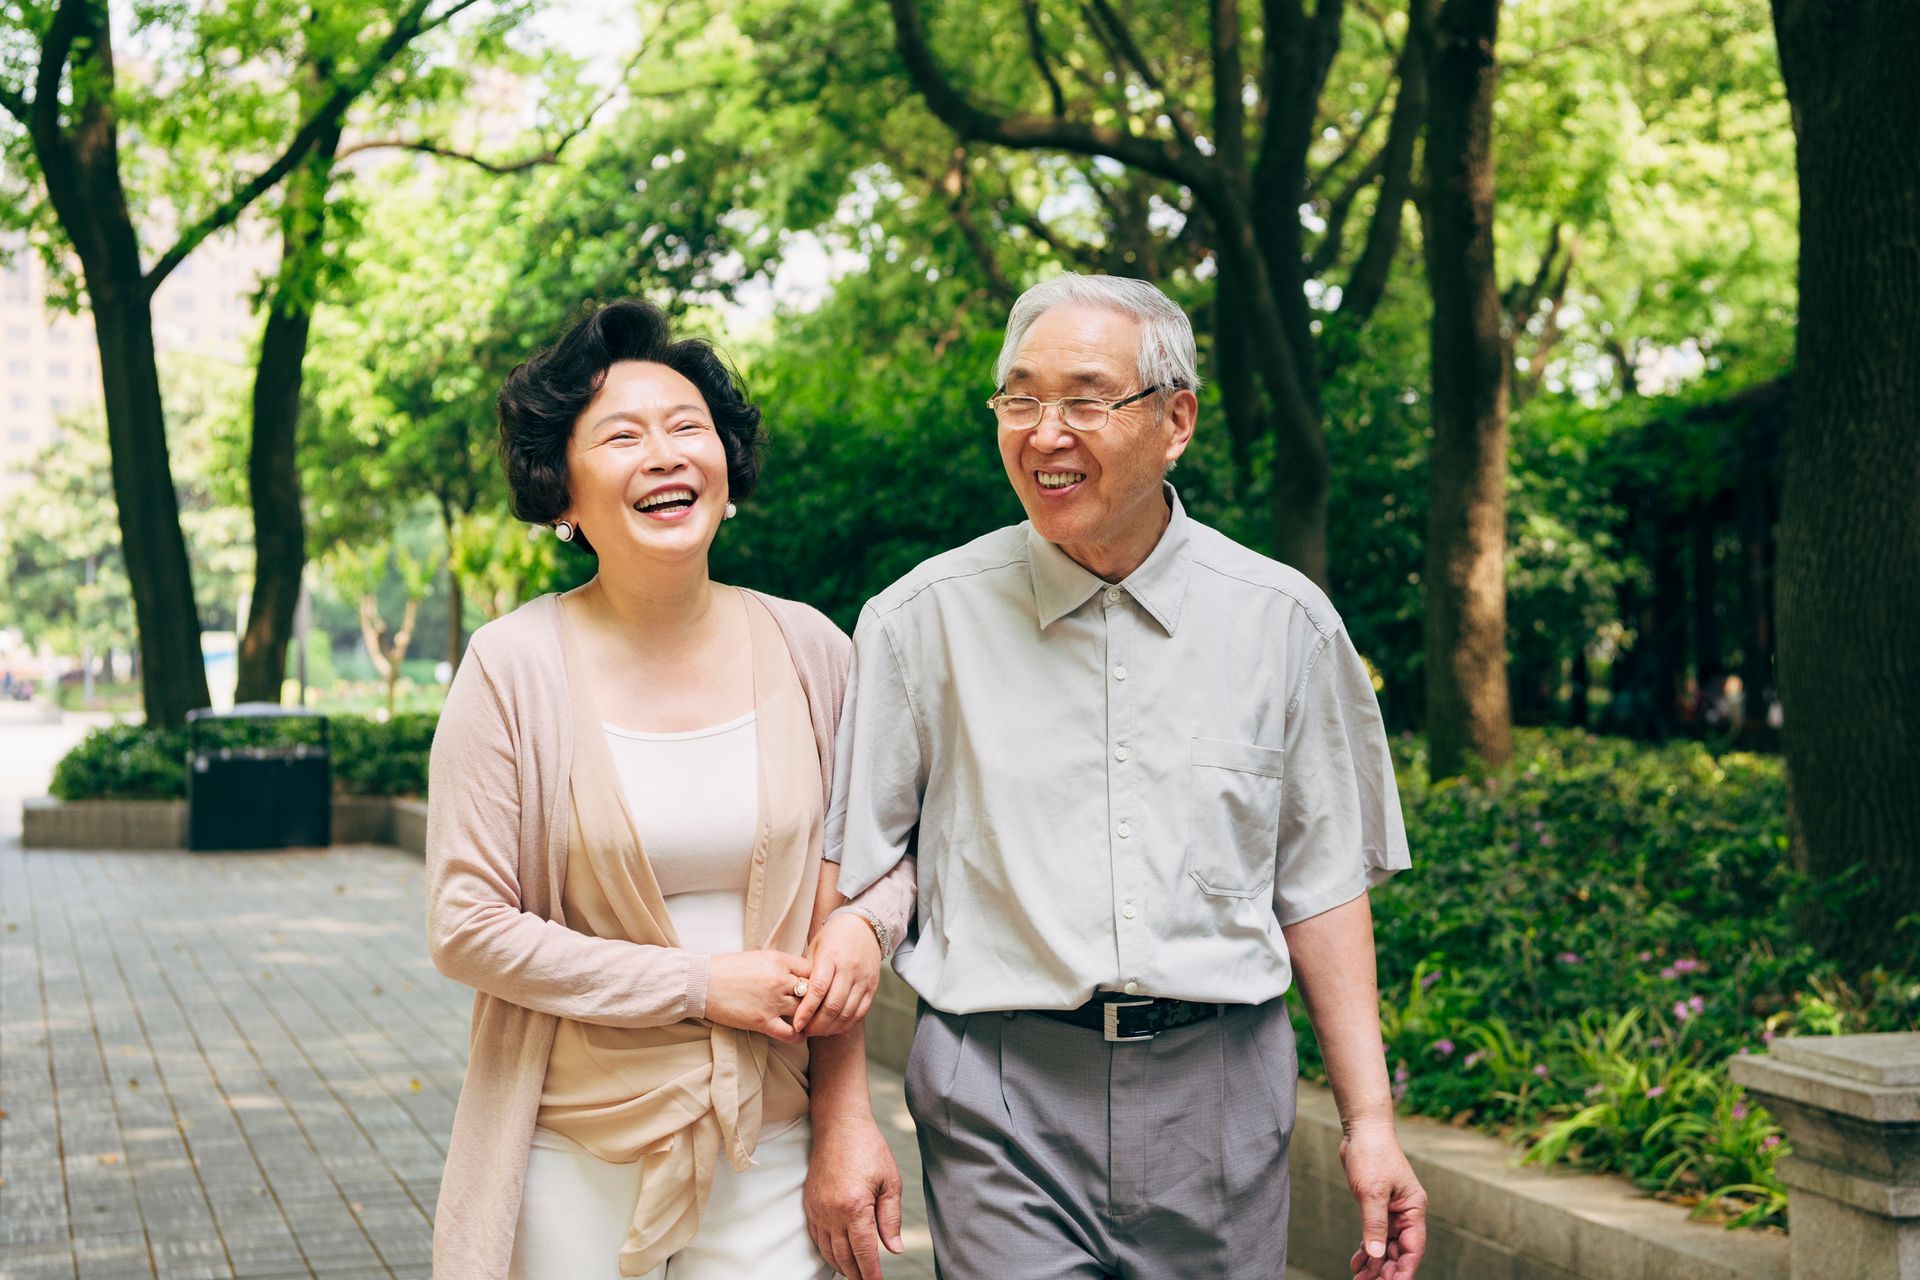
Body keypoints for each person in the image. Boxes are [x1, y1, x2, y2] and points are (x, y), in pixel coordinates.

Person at [819, 275, 1429, 1279]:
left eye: (1086, 398)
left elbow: (1320, 884)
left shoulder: (1287, 625)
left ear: (1174, 419)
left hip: (1221, 1087)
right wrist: (842, 1115)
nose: (1046, 431)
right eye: (1020, 399)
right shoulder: (917, 623)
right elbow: (858, 877)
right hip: (999, 1087)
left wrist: (1371, 1122)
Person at [424, 299, 909, 1280]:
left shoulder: (812, 646)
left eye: (689, 427)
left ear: (726, 469)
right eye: (622, 434)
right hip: (574, 1143)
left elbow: (883, 859)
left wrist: (866, 931)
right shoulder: (511, 668)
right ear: (563, 491)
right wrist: (700, 983)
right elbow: (465, 922)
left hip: (771, 1138)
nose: (666, 453)